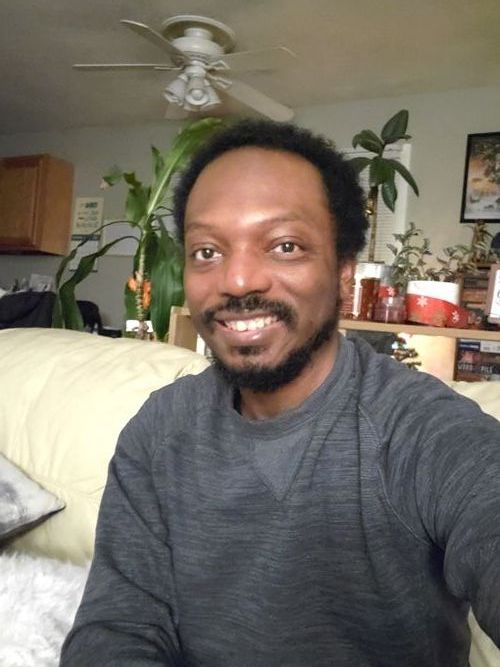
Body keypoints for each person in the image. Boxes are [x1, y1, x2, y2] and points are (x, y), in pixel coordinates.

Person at [60, 120, 500, 666]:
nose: (237, 280)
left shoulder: (421, 431)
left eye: (285, 246)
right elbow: (118, 628)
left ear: (344, 274)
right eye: (206, 251)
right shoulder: (159, 429)